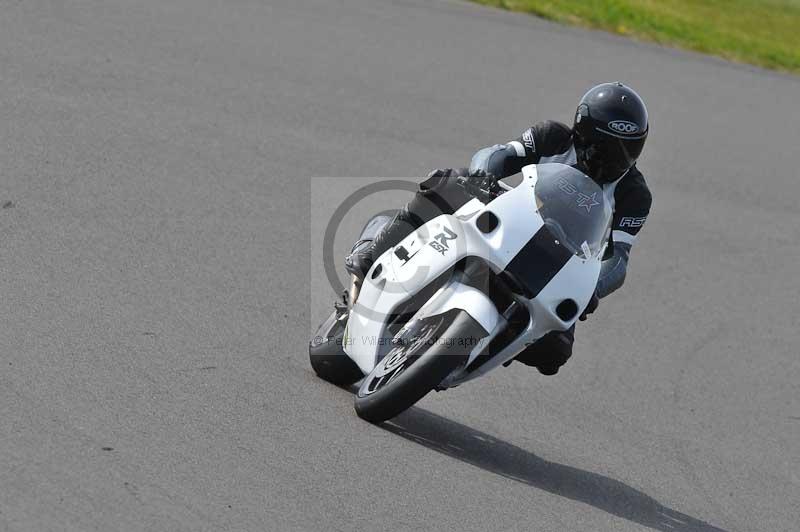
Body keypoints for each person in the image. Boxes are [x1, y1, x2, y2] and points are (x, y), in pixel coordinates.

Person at [345, 82, 652, 375]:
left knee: (555, 350)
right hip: (511, 218)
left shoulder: (635, 195)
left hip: (559, 261)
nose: (617, 159)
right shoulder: (552, 137)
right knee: (448, 182)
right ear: (582, 132)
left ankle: (462, 354)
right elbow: (499, 154)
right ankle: (374, 248)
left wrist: (593, 287)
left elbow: (619, 258)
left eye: (628, 150)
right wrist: (482, 178)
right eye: (607, 148)